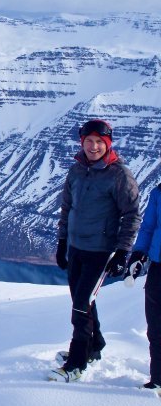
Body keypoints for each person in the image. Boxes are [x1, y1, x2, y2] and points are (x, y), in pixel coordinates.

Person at [52, 119, 141, 382]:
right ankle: (95, 345)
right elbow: (67, 208)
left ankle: (76, 362)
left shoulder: (119, 175)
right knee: (83, 301)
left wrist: (123, 251)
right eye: (88, 142)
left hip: (100, 251)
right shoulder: (77, 170)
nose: (93, 147)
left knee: (81, 305)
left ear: (107, 144)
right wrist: (62, 243)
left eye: (98, 143)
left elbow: (132, 214)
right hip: (77, 248)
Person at [128, 182, 161, 389]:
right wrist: (139, 253)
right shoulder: (158, 192)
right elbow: (148, 227)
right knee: (156, 328)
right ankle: (158, 380)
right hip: (158, 267)